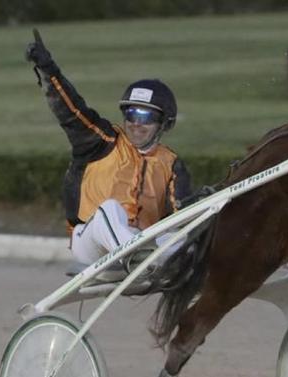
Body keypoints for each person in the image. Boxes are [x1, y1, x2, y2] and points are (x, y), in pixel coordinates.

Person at [25, 31, 192, 270]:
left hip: (145, 243)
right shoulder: (102, 140)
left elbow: (181, 215)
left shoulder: (172, 163)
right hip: (91, 241)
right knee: (110, 209)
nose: (136, 123)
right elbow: (72, 111)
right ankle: (137, 259)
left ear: (165, 123)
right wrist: (48, 69)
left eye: (146, 116)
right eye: (132, 114)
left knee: (184, 235)